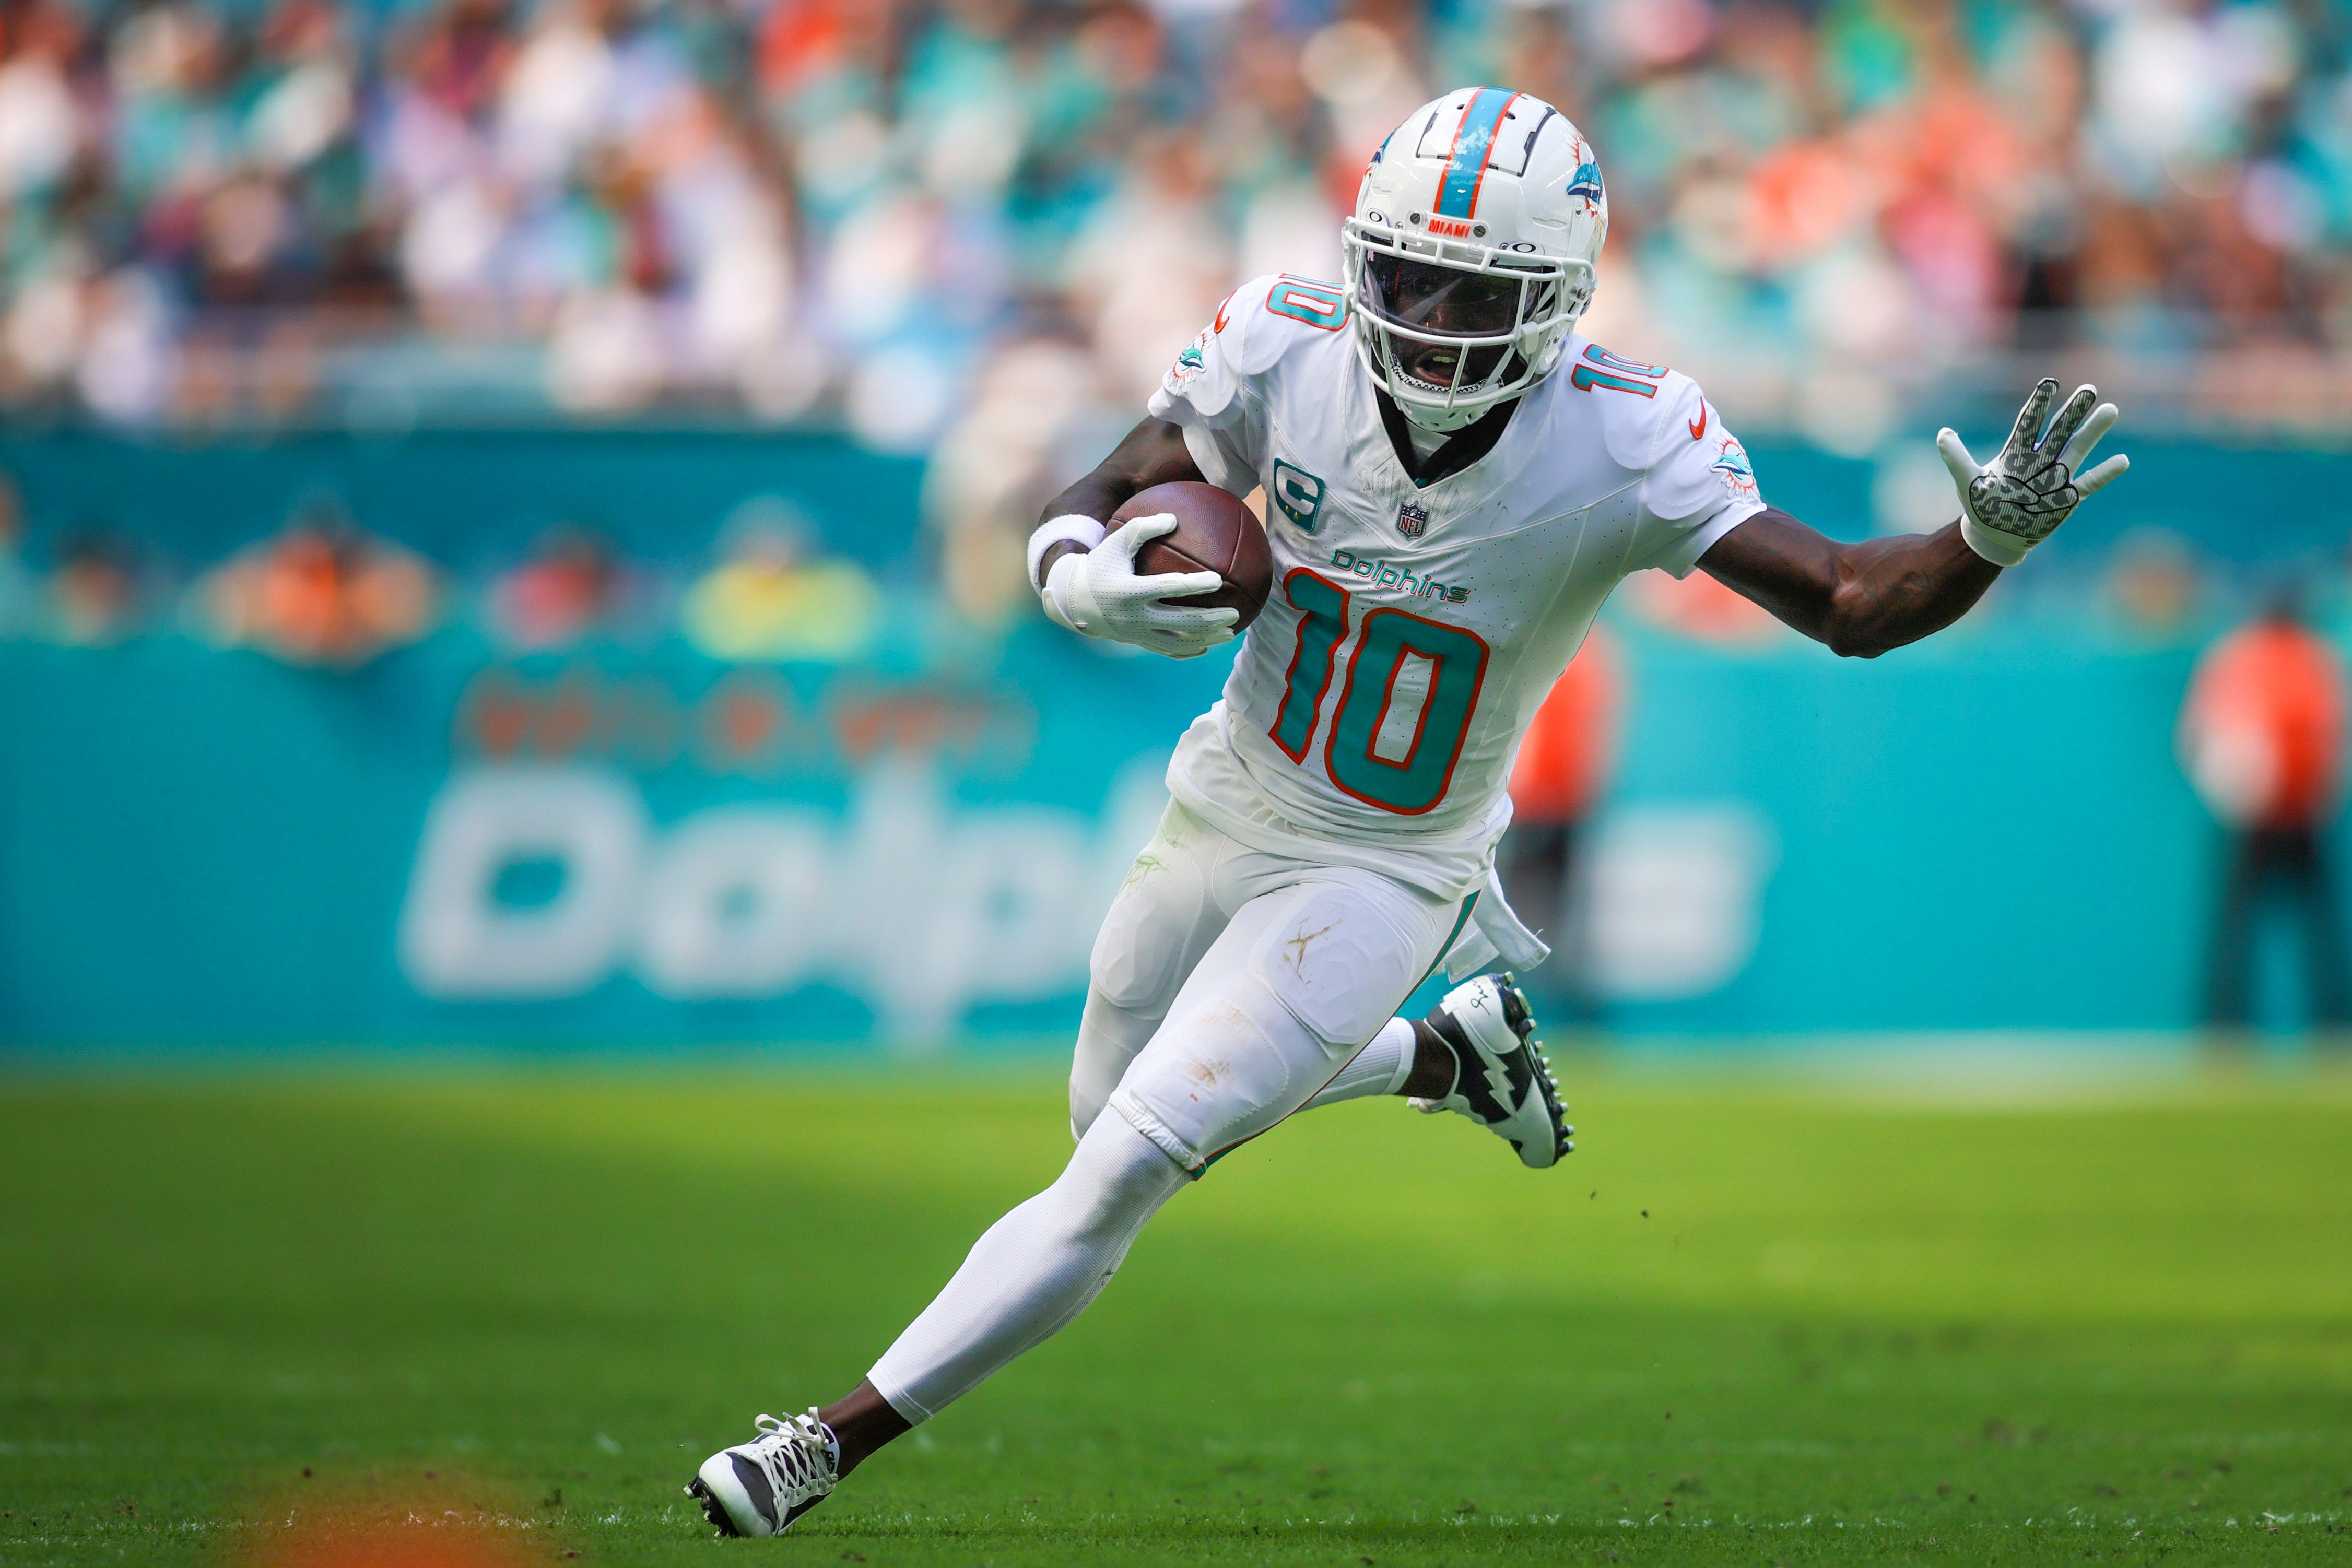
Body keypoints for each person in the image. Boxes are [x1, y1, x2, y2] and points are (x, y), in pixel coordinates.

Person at [685, 88, 2132, 1538]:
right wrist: (1076, 570)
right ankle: (1443, 1059)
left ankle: (824, 1440)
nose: (1430, 316)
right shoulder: (1283, 343)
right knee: (1096, 1129)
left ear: (1555, 302)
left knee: (1125, 1163)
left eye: (1474, 290)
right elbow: (1116, 478)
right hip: (1226, 794)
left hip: (1389, 862)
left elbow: (1846, 604)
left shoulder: (1622, 436)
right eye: (1405, 274)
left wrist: (1980, 540)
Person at [2179, 593, 2350, 1032]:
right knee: (2243, 929)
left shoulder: (2309, 660)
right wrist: (2236, 794)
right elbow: (2206, 733)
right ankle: (2226, 1024)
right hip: (2258, 816)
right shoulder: (2254, 659)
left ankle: (2325, 1024)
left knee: (2308, 928)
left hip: (2296, 815)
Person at [1499, 624, 1621, 1022]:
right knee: (1538, 906)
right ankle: (1532, 999)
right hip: (1548, 802)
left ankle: (1532, 1001)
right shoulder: (1581, 653)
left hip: (1545, 803)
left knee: (1532, 906)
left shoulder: (1557, 650)